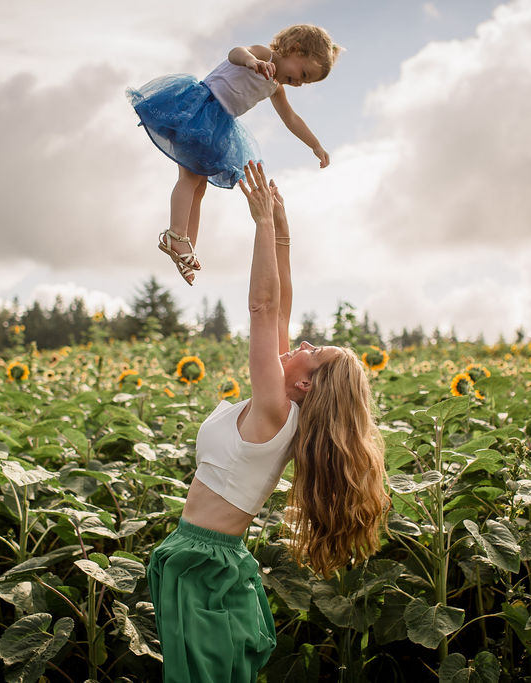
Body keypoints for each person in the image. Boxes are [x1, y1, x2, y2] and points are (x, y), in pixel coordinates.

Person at [146, 161, 390, 682]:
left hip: (201, 565)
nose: (300, 343)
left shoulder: (275, 409)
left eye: (312, 350)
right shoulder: (283, 410)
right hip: (207, 559)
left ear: (306, 385)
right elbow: (278, 313)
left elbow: (262, 310)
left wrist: (258, 224)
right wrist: (281, 235)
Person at [126, 24, 341, 285]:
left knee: (199, 184)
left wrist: (315, 145)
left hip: (217, 126)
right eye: (302, 73)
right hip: (200, 111)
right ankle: (176, 234)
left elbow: (291, 118)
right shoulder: (264, 56)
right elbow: (236, 52)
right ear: (295, 49)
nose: (298, 83)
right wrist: (252, 62)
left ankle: (185, 246)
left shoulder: (275, 87)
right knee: (190, 180)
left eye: (304, 82)